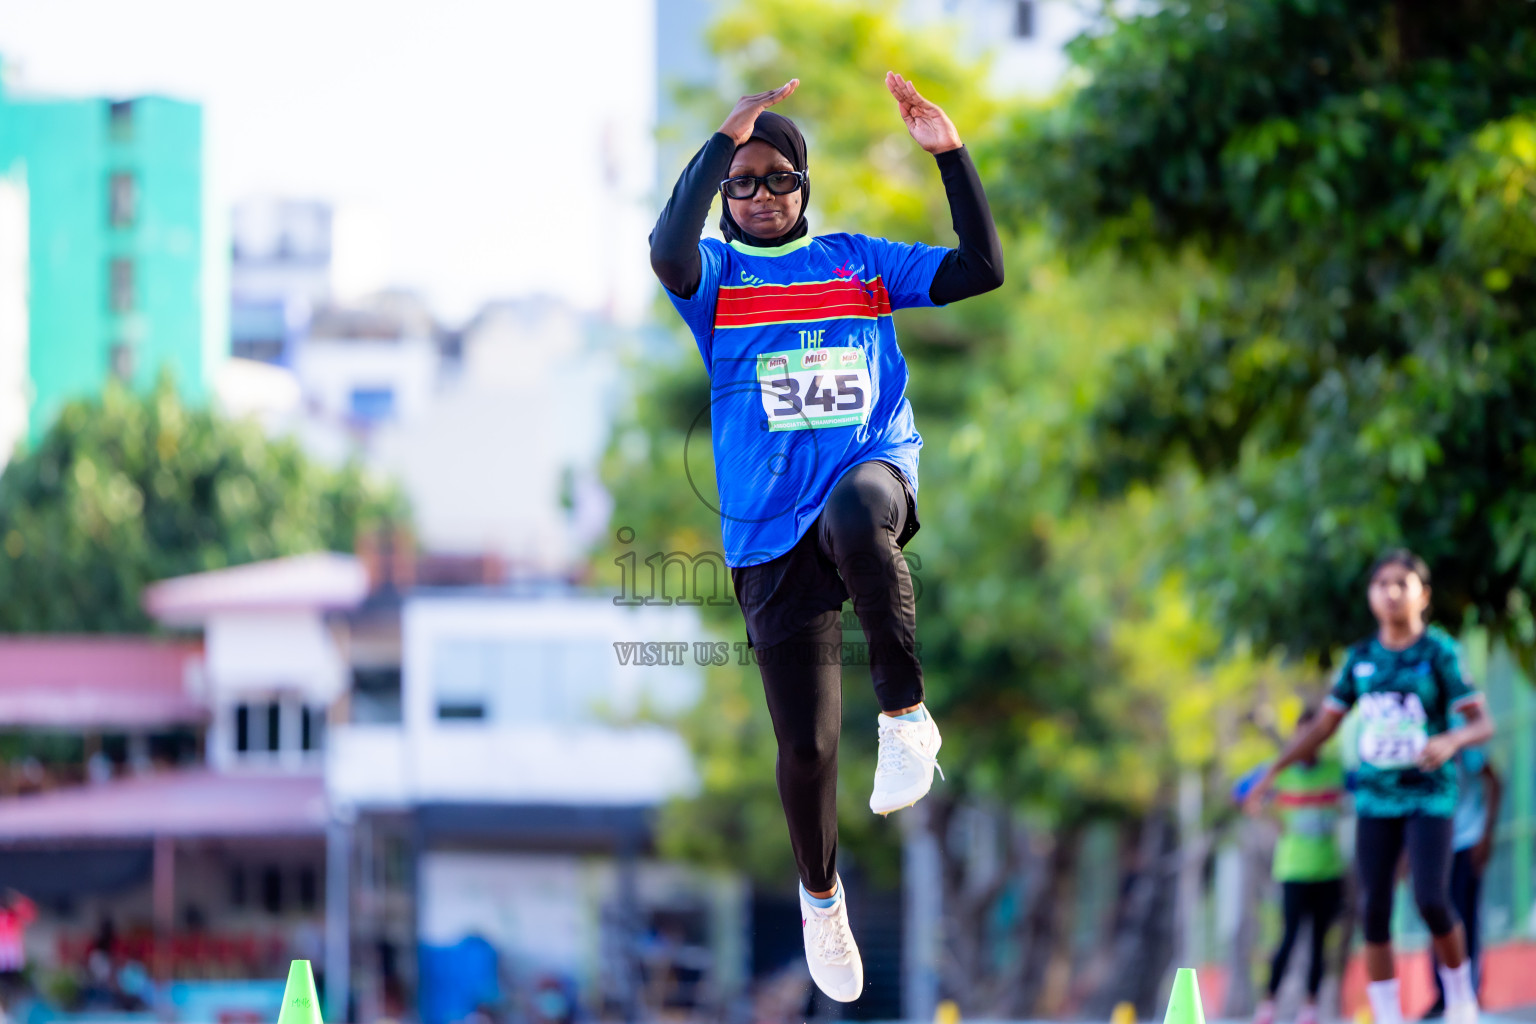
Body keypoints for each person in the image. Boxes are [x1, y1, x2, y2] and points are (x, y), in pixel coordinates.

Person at [648, 73, 1003, 1002]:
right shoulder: (716, 283)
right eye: (743, 181)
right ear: (724, 194)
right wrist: (720, 140)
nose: (761, 196)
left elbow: (981, 270)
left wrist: (949, 154)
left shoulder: (858, 261)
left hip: (872, 468)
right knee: (804, 749)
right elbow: (664, 249)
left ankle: (906, 717)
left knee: (858, 512)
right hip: (768, 527)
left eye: (778, 179)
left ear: (806, 186)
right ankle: (820, 898)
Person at [1245, 550, 1493, 1024]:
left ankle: (1461, 998)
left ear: (1424, 595)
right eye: (1382, 583)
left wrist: (1451, 739)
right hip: (1376, 799)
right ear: (1370, 596)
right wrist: (1272, 771)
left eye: (1403, 583)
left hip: (1428, 795)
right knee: (1373, 908)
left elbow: (1482, 724)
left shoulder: (1439, 652)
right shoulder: (1360, 659)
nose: (1392, 592)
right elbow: (1321, 728)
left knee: (1431, 898)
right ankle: (1386, 1013)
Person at [1245, 708, 1348, 1024]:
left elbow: (1359, 789)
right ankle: (1268, 1003)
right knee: (1288, 937)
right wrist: (1268, 813)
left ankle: (1311, 1007)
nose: (1309, 742)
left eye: (1315, 735)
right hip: (1293, 870)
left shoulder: (1335, 770)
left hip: (1328, 869)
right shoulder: (1280, 772)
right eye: (1303, 735)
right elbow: (1246, 794)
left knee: (1319, 940)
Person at [1422, 729, 1501, 1018]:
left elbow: (1495, 781)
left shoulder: (1462, 739)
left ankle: (1469, 992)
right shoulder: (1419, 738)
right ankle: (1442, 994)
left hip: (1467, 839)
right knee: (1434, 911)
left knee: (1465, 917)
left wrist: (1486, 834)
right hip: (1434, 844)